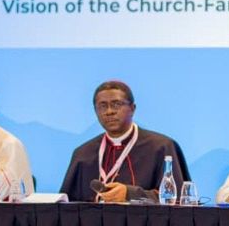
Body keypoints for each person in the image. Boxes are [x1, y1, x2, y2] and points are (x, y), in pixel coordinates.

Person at [60, 80, 191, 202]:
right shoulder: (82, 154)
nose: (109, 111)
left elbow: (178, 201)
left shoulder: (162, 147)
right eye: (102, 106)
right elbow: (64, 206)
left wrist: (130, 194)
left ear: (132, 108)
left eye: (116, 104)